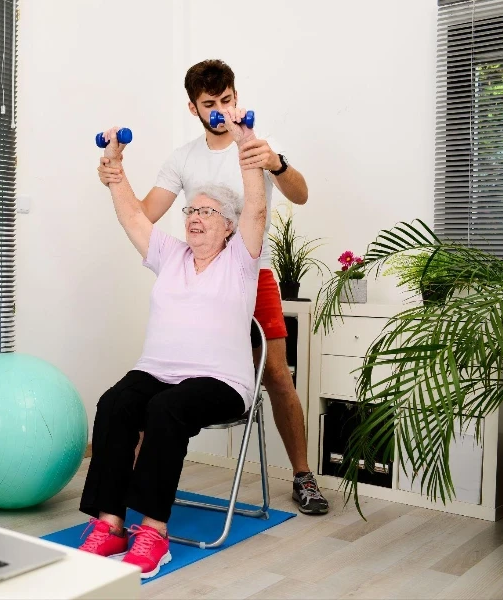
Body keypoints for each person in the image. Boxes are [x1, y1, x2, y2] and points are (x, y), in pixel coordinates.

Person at [97, 59, 329, 516]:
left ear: (236, 97)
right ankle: (131, 492)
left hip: (248, 273)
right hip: (199, 275)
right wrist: (113, 178)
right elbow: (143, 213)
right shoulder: (183, 158)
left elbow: (300, 194)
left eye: (227, 99)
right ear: (193, 108)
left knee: (278, 375)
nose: (221, 109)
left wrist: (276, 164)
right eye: (210, 104)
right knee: (158, 384)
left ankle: (303, 476)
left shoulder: (257, 146)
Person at [78, 114, 264, 579]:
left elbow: (257, 208)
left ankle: (154, 533)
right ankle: (111, 524)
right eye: (190, 211)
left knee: (165, 409)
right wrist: (114, 169)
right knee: (116, 402)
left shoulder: (241, 261)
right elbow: (133, 215)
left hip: (220, 382)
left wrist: (246, 145)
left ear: (228, 227)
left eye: (207, 213)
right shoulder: (170, 255)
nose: (195, 219)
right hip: (159, 370)